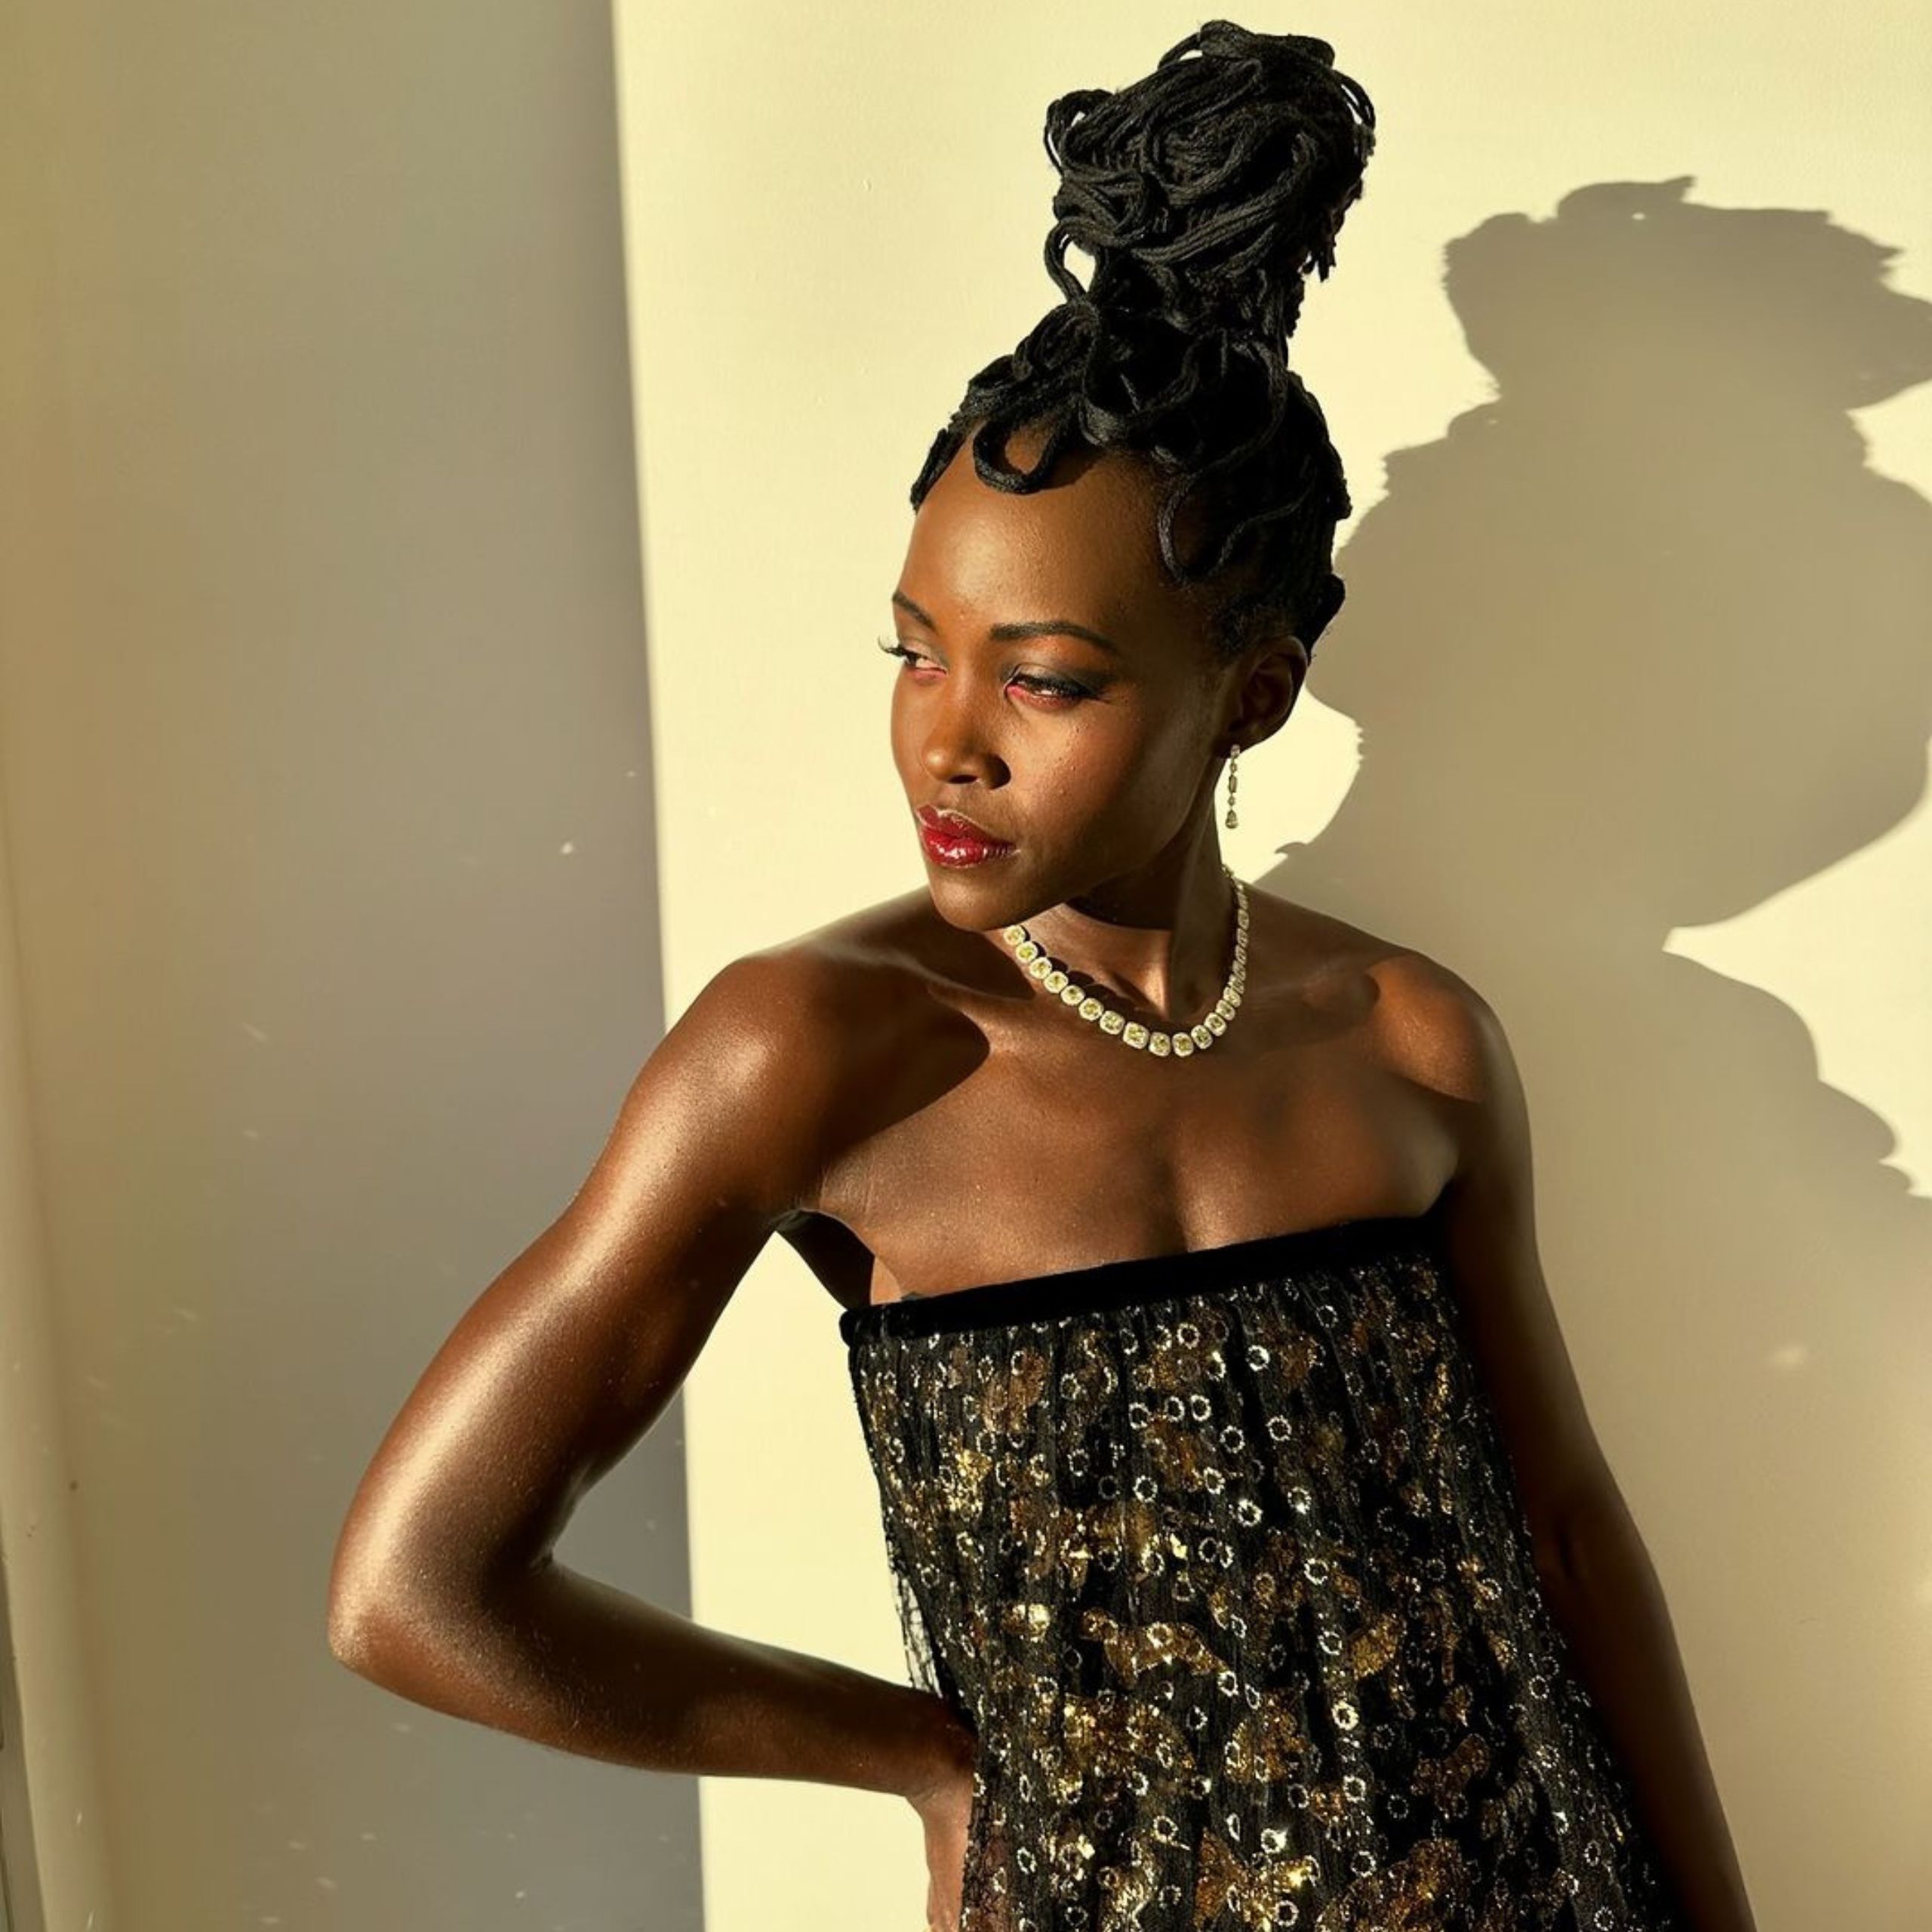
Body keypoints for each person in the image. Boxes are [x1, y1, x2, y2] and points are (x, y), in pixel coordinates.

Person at [328, 20, 1757, 1931]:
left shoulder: (1411, 1039)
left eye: (1046, 679)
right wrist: (921, 1754)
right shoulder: (815, 1046)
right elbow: (414, 1590)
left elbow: (1564, 1541)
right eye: (914, 651)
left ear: (1248, 694)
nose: (948, 741)